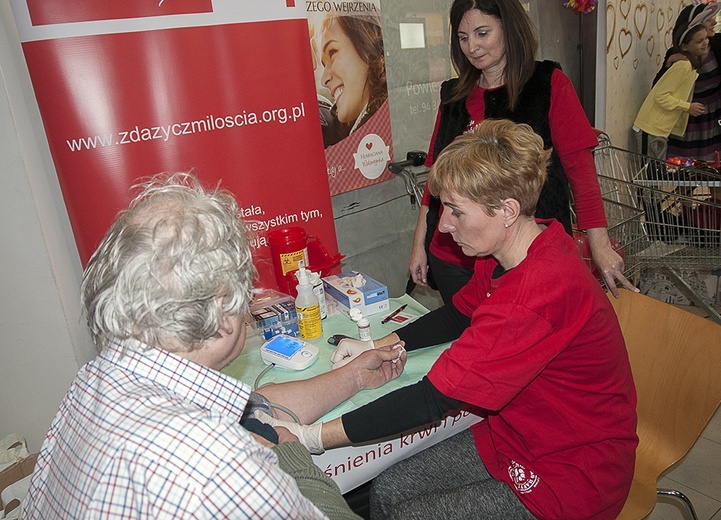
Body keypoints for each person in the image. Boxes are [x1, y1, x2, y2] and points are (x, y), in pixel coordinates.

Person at [261, 120, 639, 520]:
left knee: (410, 514)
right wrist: (379, 344)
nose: (442, 225)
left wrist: (311, 438)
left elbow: (431, 399)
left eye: (457, 212)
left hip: (573, 471)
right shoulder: (517, 250)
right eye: (444, 208)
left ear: (508, 211)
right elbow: (459, 314)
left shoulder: (535, 295)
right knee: (390, 490)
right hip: (517, 435)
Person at [21, 172, 407, 520]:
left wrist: (353, 376)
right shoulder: (214, 465)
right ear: (224, 311)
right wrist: (291, 452)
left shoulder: (96, 380)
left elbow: (255, 409)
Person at [408, 0, 636, 305]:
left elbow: (581, 173)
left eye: (482, 33)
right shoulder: (454, 95)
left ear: (509, 29)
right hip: (453, 255)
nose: (472, 47)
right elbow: (436, 183)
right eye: (463, 38)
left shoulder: (548, 84)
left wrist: (600, 245)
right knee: (466, 339)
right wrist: (419, 244)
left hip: (525, 257)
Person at [653, 2, 720, 162]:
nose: (714, 22)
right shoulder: (677, 52)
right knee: (685, 169)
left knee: (715, 171)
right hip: (689, 117)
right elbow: (658, 88)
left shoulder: (717, 44)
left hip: (715, 114)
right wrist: (669, 64)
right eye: (708, 19)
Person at [634, 18, 710, 159]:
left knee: (655, 175)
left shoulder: (690, 67)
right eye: (699, 41)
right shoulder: (683, 66)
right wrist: (688, 107)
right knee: (649, 176)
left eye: (706, 38)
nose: (705, 43)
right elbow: (661, 96)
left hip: (658, 129)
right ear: (685, 47)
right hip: (649, 128)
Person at [319, 12, 388, 136]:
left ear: (367, 45)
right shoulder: (344, 135)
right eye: (324, 65)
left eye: (332, 52)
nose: (324, 80)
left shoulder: (394, 123)